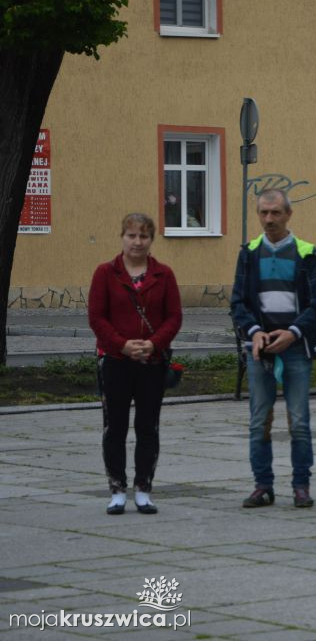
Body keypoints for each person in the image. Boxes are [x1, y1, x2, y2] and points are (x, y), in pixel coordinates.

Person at [231, 189, 316, 509]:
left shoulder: (307, 252)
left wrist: (294, 332)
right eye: (263, 213)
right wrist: (255, 332)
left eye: (275, 213)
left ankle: (301, 484)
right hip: (260, 348)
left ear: (288, 214)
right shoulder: (249, 252)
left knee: (298, 420)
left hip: (295, 347)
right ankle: (262, 485)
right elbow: (238, 303)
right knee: (260, 420)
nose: (269, 219)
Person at [89, 213, 182, 515]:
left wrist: (154, 343)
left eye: (143, 236)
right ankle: (117, 489)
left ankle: (143, 488)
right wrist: (122, 345)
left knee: (147, 427)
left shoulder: (164, 275)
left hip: (151, 362)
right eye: (131, 235)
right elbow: (97, 318)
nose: (137, 242)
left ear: (151, 240)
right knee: (114, 427)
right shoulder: (105, 273)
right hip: (115, 360)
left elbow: (174, 317)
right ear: (122, 237)